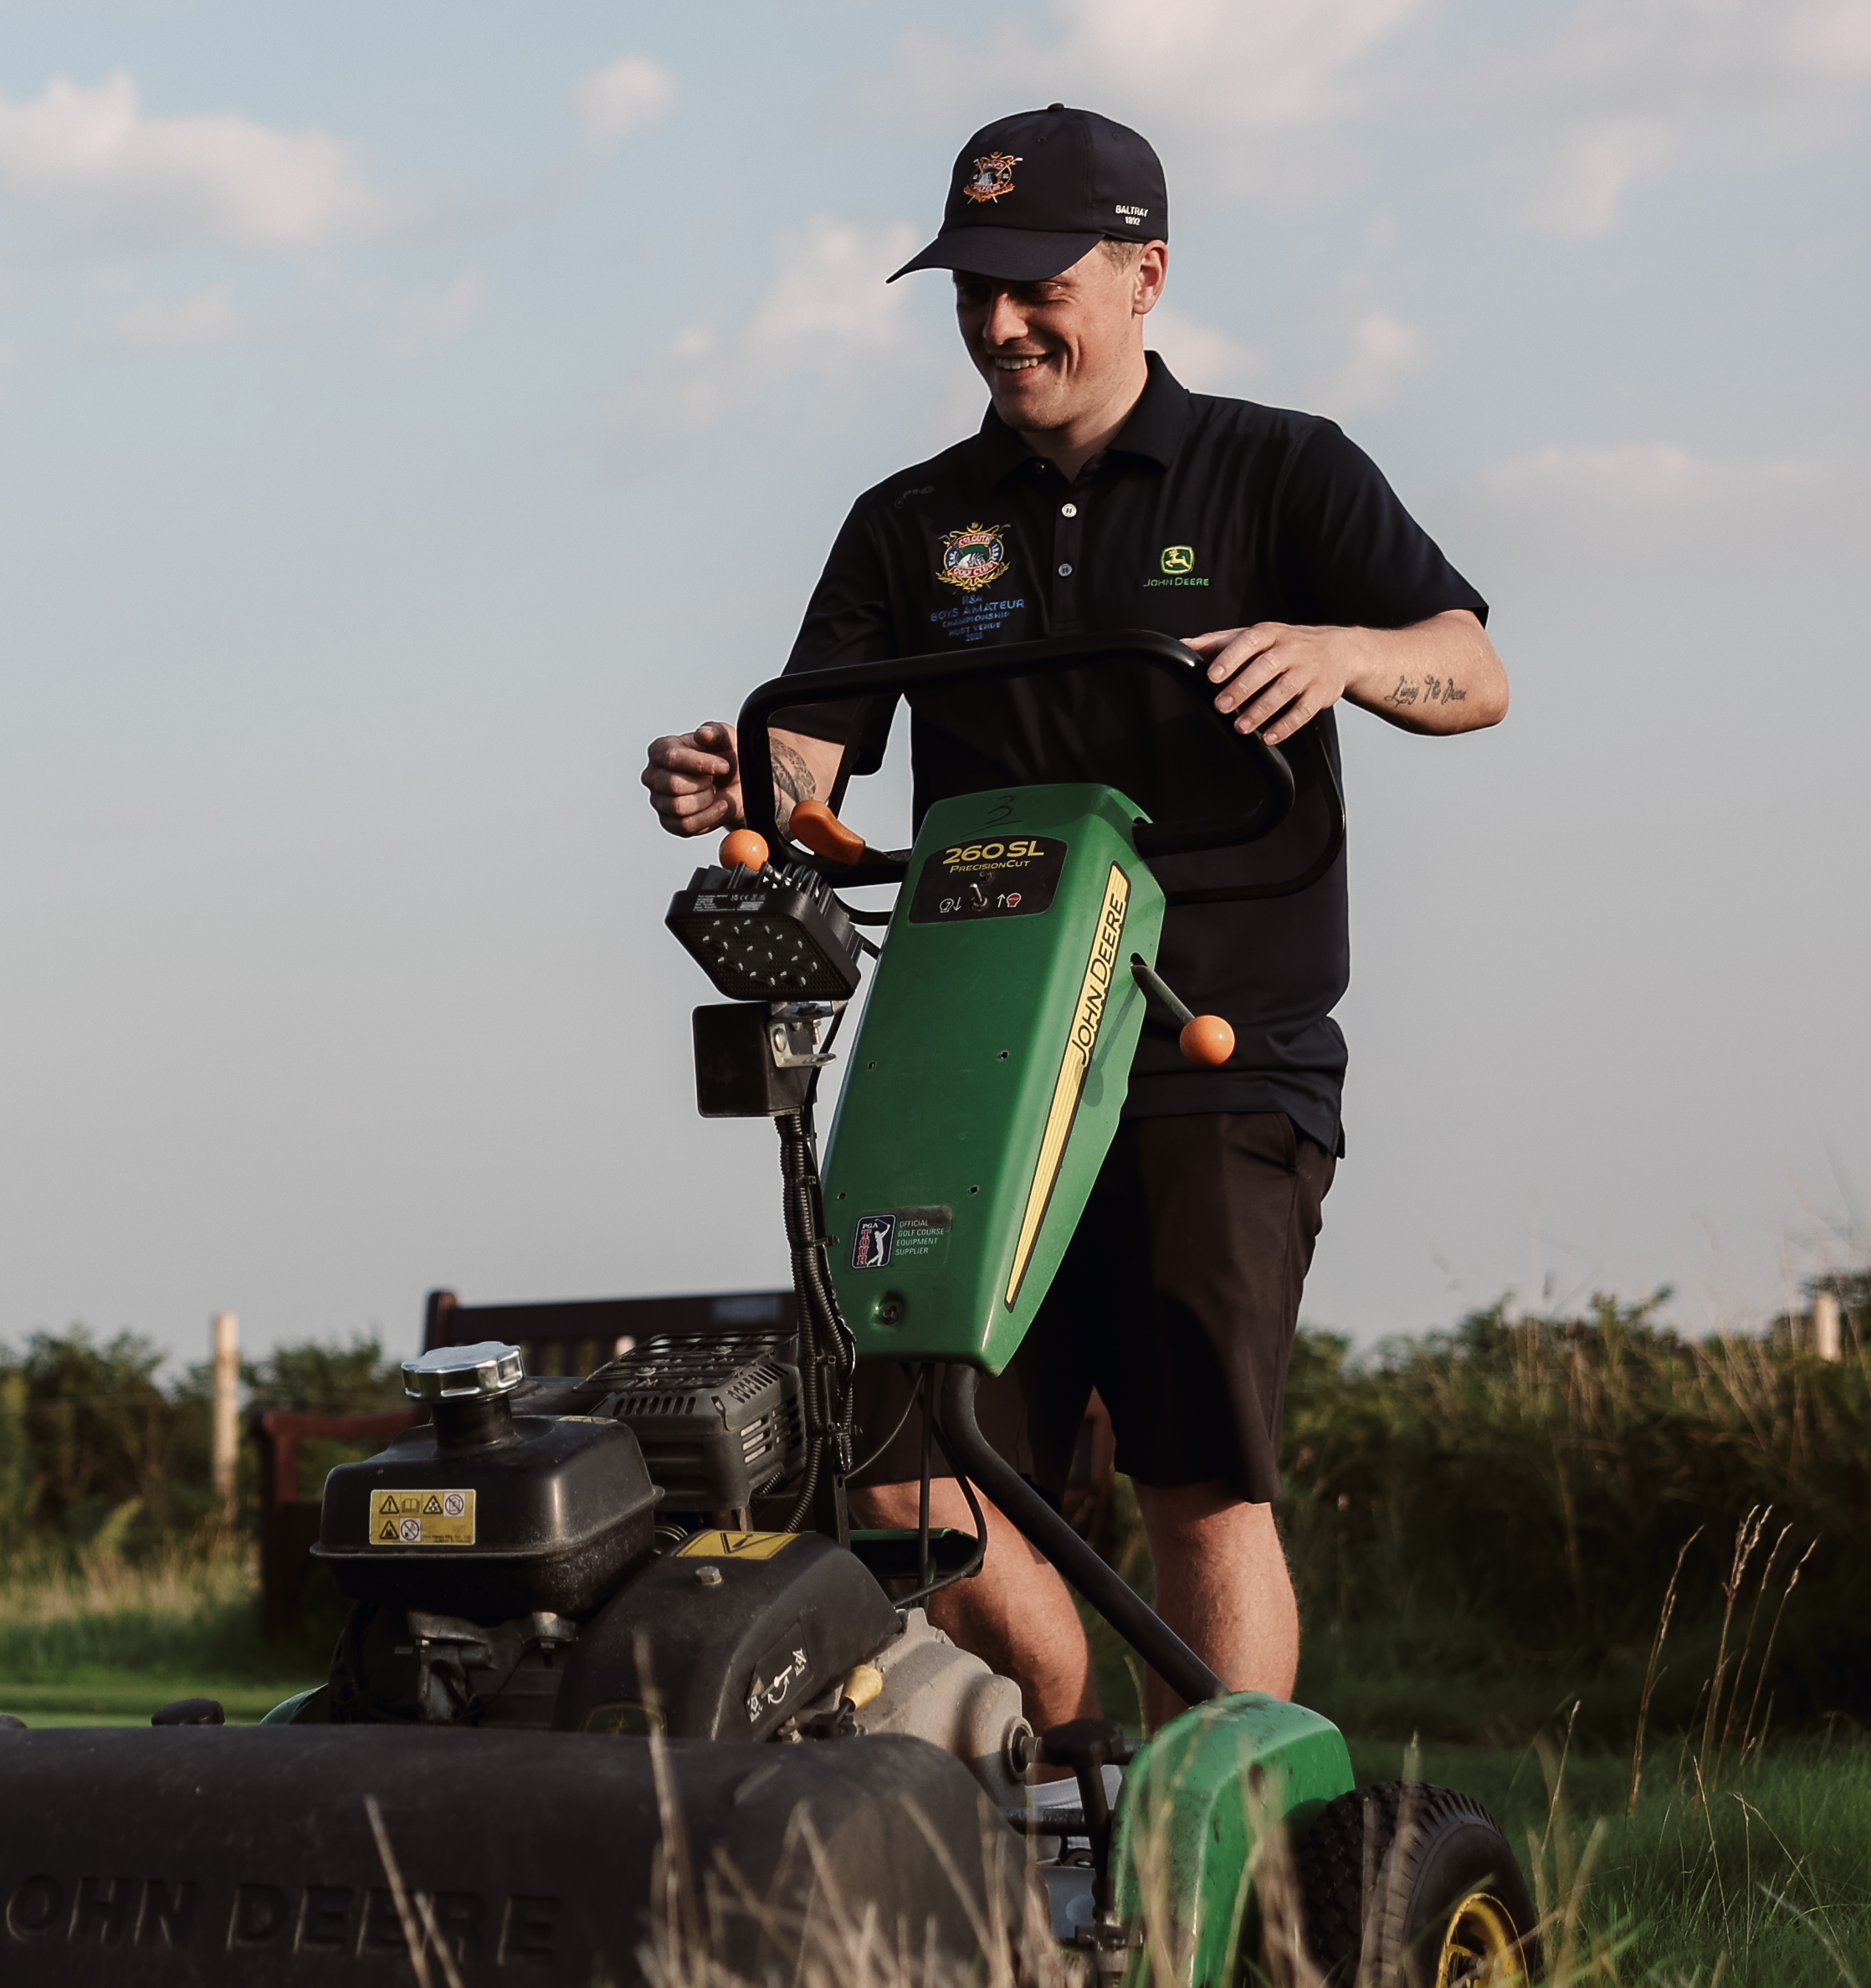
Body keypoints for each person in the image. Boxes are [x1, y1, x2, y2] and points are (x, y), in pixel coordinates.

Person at [637, 105, 1506, 1728]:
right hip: (971, 1063)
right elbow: (812, 750)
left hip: (1209, 1047)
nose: (998, 321)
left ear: (1146, 273)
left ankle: (1216, 1851)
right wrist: (735, 779)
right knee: (896, 1470)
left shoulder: (1282, 467)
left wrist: (1341, 654)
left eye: (1037, 285)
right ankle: (1062, 1734)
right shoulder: (910, 523)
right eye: (972, 285)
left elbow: (1475, 669)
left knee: (1197, 1480)